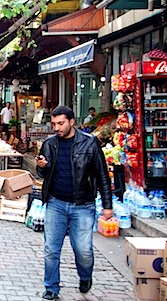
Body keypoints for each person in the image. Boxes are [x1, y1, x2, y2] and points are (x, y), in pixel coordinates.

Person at [35, 106, 113, 300]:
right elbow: (44, 174)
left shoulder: (90, 143)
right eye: (54, 124)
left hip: (83, 205)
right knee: (51, 249)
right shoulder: (49, 144)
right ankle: (51, 287)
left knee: (83, 250)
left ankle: (85, 276)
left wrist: (107, 205)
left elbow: (102, 175)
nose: (57, 128)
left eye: (60, 123)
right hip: (56, 203)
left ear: (71, 122)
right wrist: (41, 167)